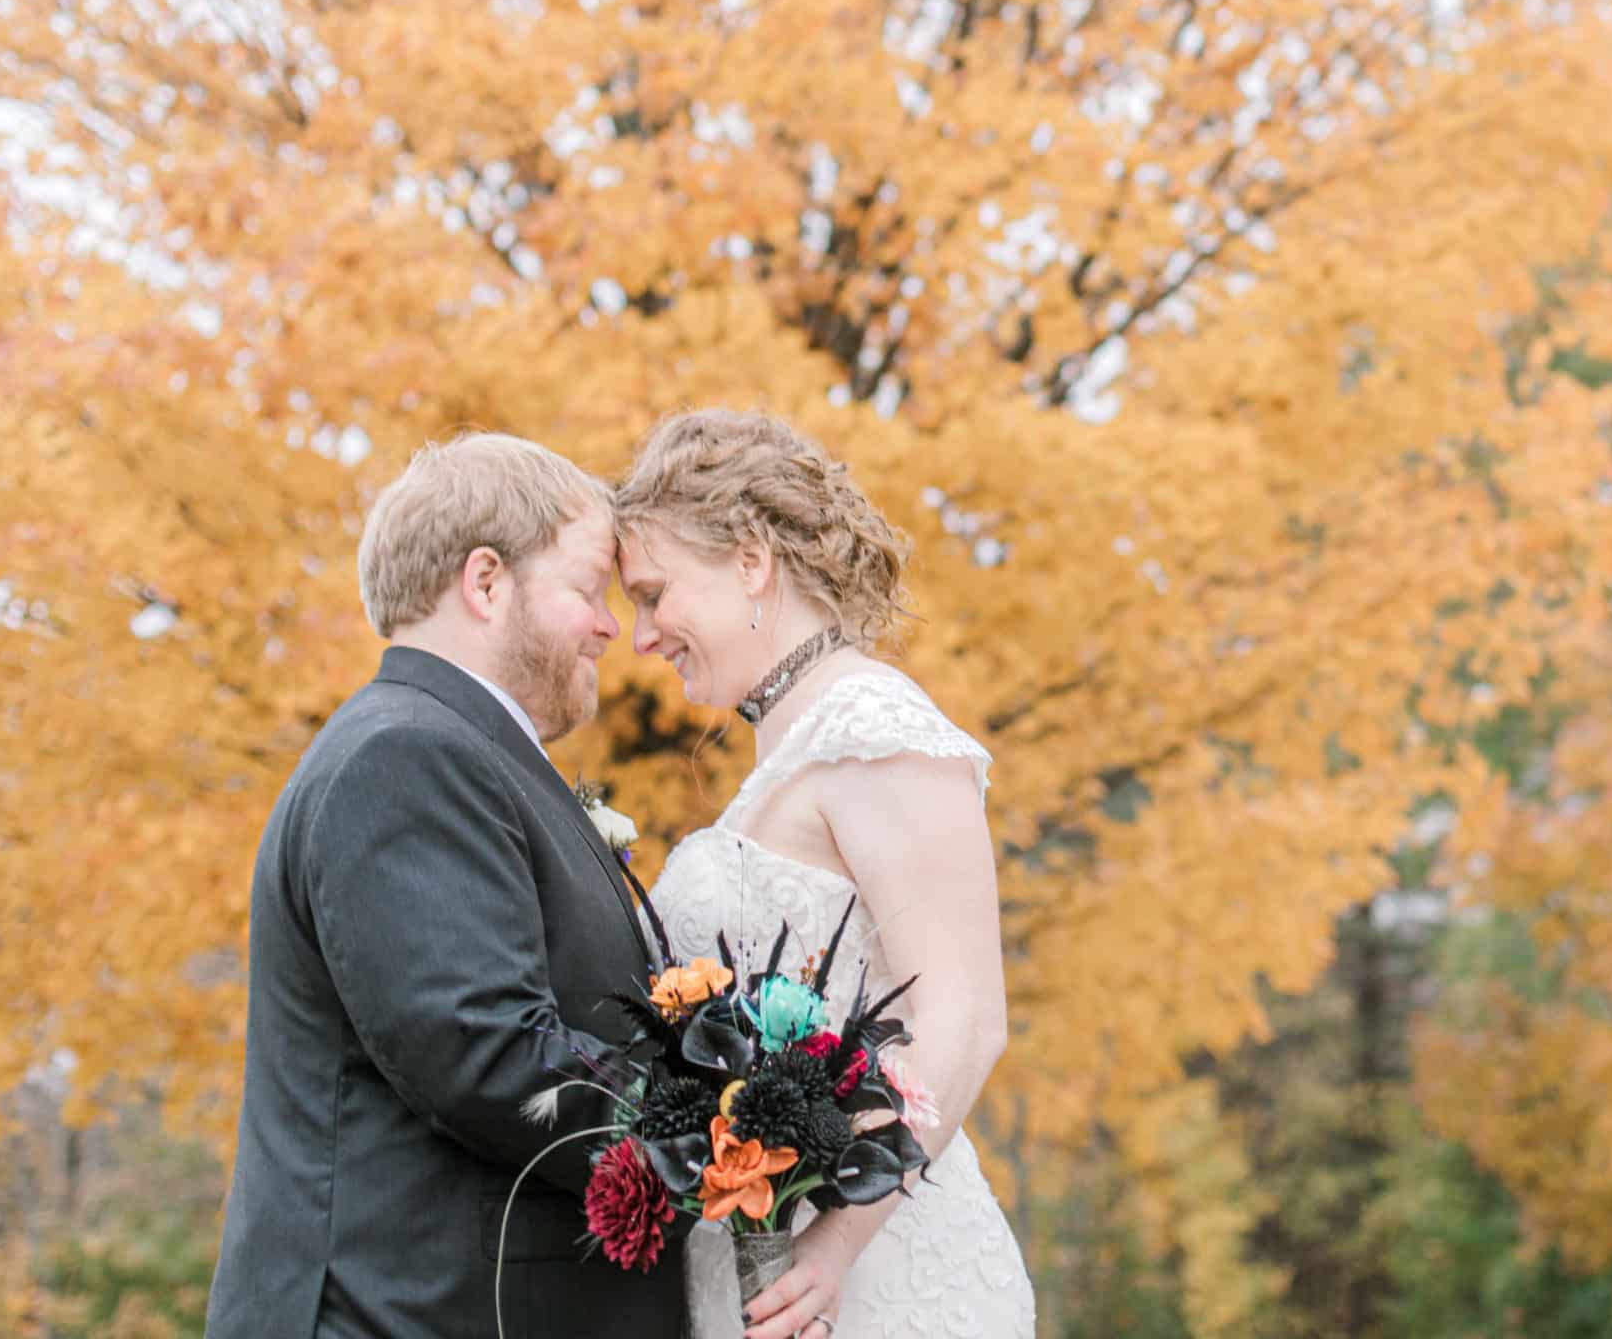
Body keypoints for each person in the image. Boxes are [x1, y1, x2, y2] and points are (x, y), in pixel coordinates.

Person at [207, 433, 680, 1339]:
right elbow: (489, 1054)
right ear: (487, 583)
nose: (609, 627)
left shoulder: (457, 753)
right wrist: (730, 1138)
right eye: (587, 590)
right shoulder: (405, 755)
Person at [621, 408, 1035, 1339]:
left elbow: (965, 1024)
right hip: (767, 1274)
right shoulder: (789, 750)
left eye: (655, 594)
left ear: (750, 560)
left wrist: (835, 1244)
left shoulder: (874, 729)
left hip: (875, 1281)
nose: (642, 636)